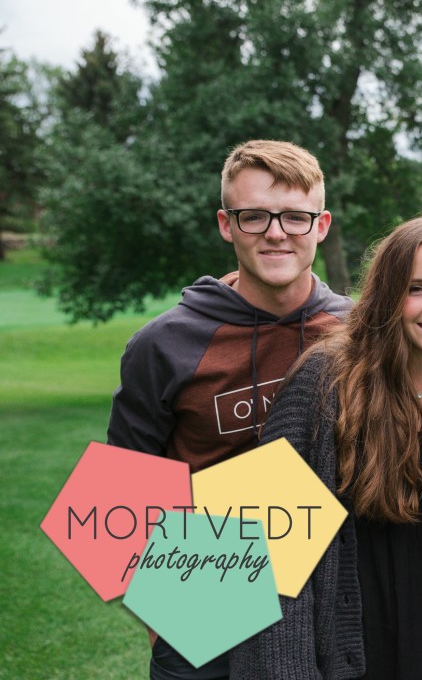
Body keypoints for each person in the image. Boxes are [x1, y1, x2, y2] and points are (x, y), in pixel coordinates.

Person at [107, 139, 353, 679]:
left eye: (295, 216)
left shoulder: (358, 332)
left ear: (321, 225)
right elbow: (121, 496)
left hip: (331, 597)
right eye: (254, 216)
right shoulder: (164, 345)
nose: (276, 232)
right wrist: (164, 624)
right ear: (226, 224)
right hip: (205, 600)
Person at [229, 217, 422, 679]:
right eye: (416, 289)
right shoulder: (322, 383)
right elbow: (266, 558)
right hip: (344, 652)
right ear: (388, 292)